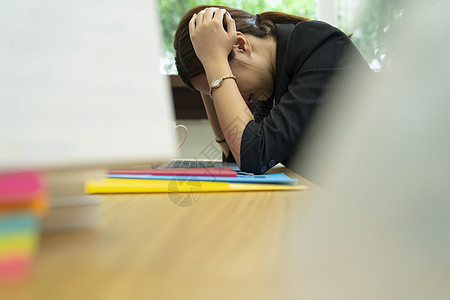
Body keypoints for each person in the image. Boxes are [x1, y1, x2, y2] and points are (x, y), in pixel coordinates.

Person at [174, 5, 370, 174]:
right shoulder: (269, 86)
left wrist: (214, 62)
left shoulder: (318, 45)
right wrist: (210, 74)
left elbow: (253, 155)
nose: (229, 95)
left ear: (241, 45)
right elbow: (236, 158)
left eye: (223, 80)